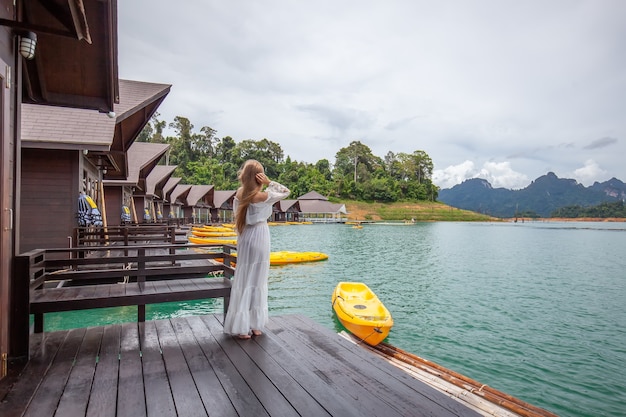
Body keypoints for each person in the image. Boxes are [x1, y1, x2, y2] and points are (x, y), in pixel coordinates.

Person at [223, 160, 290, 339]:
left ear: (244, 176)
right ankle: (254, 325)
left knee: (244, 279)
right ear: (259, 177)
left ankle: (244, 326)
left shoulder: (239, 193)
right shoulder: (262, 196)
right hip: (260, 235)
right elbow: (285, 191)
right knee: (258, 280)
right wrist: (269, 182)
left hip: (245, 236)